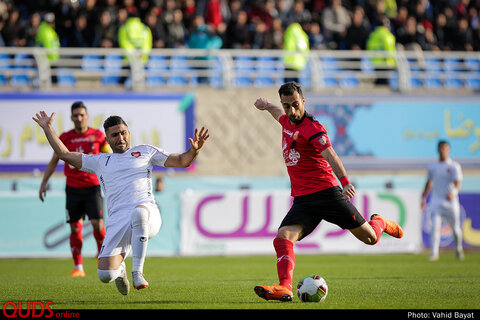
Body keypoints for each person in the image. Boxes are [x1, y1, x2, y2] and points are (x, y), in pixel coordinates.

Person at [252, 82, 403, 301]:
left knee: (370, 239)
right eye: (287, 106)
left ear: (303, 101)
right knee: (283, 237)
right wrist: (266, 105)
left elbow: (331, 155)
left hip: (327, 194)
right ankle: (284, 287)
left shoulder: (313, 128)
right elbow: (277, 114)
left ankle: (379, 221)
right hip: (303, 200)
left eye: (295, 105)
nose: (291, 111)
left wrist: (346, 182)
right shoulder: (286, 120)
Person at [33, 111, 209, 295]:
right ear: (107, 139)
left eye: (123, 132)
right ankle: (120, 270)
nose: (121, 137)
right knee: (104, 274)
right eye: (115, 135)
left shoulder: (146, 151)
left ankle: (137, 272)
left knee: (139, 214)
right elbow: (64, 154)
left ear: (129, 133)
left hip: (148, 214)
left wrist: (194, 150)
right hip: (118, 220)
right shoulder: (101, 160)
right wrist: (48, 129)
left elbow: (182, 161)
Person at [39, 101, 110, 277]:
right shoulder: (65, 138)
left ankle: (102, 257)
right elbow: (54, 161)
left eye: (81, 115)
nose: (78, 118)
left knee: (97, 223)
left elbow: (109, 158)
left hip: (93, 187)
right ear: (71, 118)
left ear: (87, 116)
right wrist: (44, 182)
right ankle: (78, 267)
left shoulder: (98, 136)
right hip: (73, 189)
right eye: (75, 115)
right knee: (75, 228)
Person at [421, 140, 464, 261]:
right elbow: (429, 183)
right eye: (441, 148)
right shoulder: (433, 166)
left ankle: (458, 249)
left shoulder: (454, 166)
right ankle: (434, 253)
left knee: (455, 228)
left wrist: (453, 192)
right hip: (436, 201)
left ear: (448, 150)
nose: (443, 151)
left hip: (451, 203)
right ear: (438, 150)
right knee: (435, 227)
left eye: (445, 148)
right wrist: (424, 197)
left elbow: (458, 184)